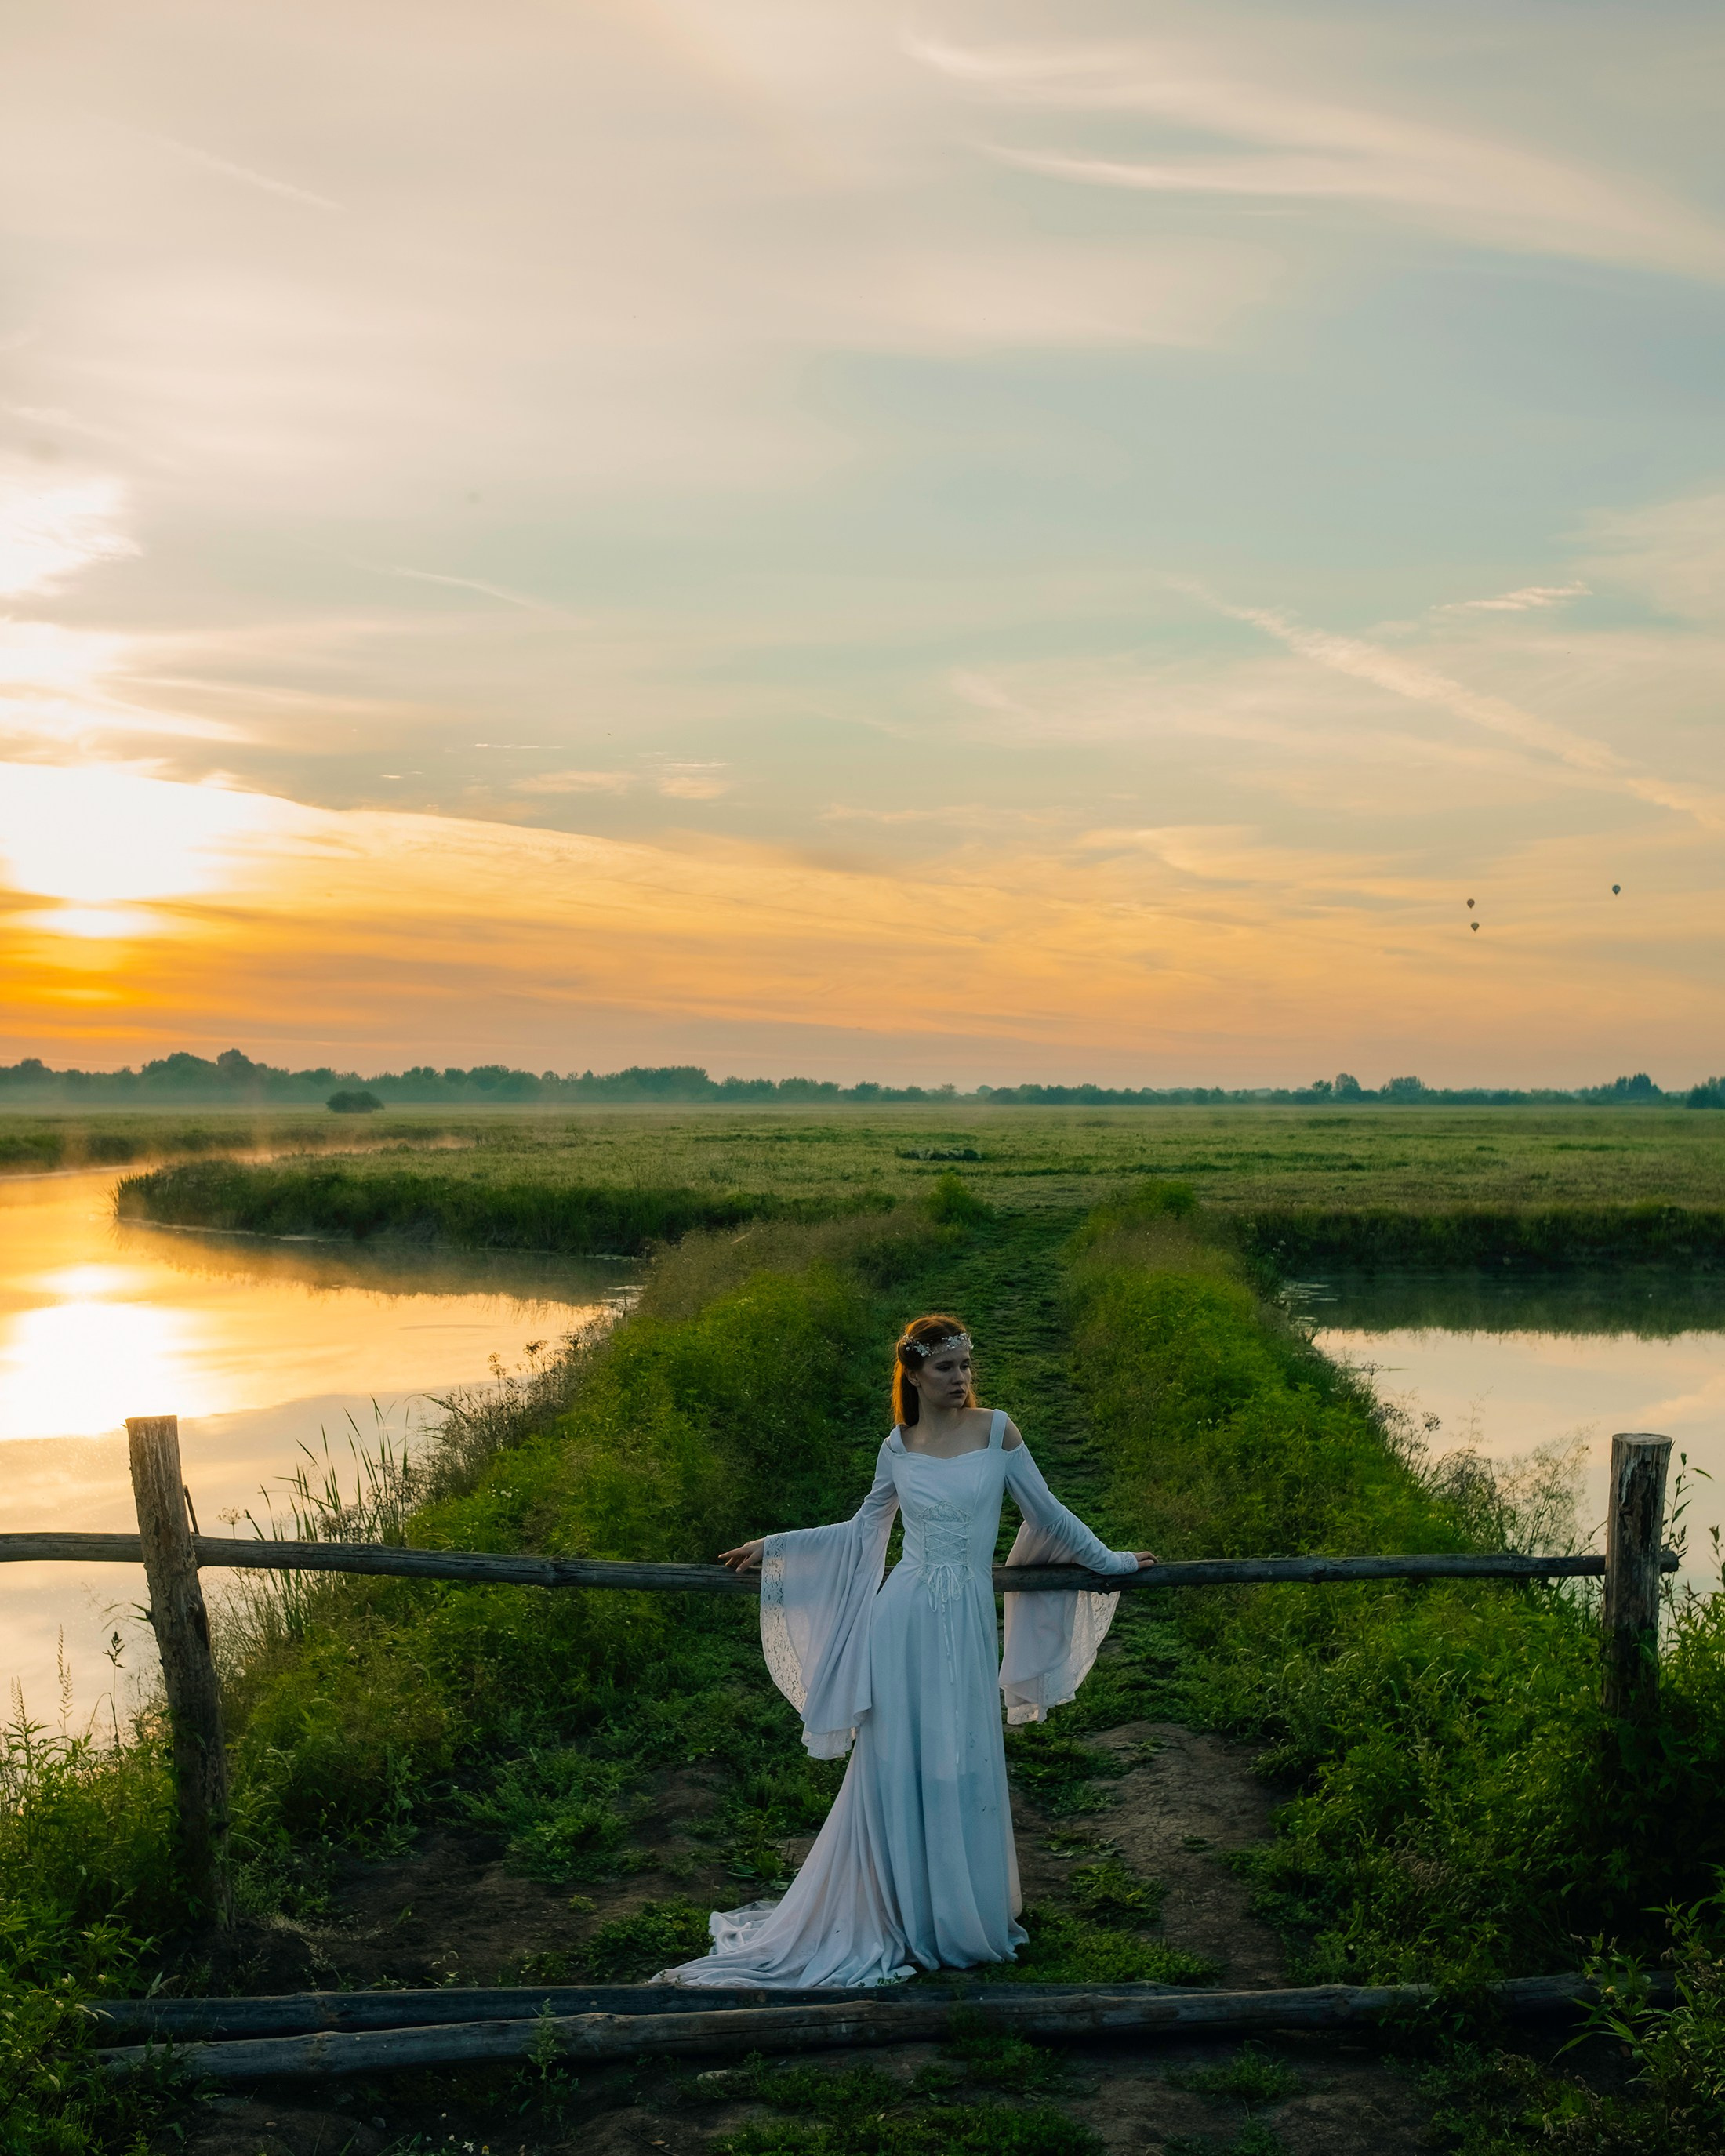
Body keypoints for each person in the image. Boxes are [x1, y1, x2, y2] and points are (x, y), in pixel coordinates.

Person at [655, 1312, 1155, 1989]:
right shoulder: (900, 1445)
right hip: (904, 1619)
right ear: (913, 1374)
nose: (961, 1379)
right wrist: (775, 1546)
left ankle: (957, 1914)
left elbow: (1049, 1514)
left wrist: (1114, 1560)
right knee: (899, 1763)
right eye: (946, 1368)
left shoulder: (997, 1431)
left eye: (967, 1366)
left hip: (966, 1621)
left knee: (961, 1760)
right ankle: (900, 1910)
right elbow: (862, 1531)